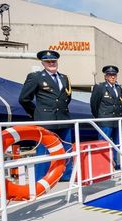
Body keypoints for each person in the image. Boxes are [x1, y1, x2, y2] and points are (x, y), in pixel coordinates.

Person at [19, 50, 73, 181]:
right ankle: (41, 179)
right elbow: (24, 99)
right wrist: (37, 114)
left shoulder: (64, 78)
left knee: (67, 148)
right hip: (46, 120)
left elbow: (67, 97)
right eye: (48, 61)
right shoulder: (36, 77)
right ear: (43, 63)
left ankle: (65, 175)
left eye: (53, 61)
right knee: (44, 150)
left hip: (63, 118)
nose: (51, 63)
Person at [90, 65, 122, 166]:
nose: (112, 77)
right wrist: (99, 117)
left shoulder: (119, 88)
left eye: (114, 75)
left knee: (117, 143)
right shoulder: (100, 87)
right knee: (103, 143)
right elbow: (94, 104)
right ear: (105, 76)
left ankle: (115, 163)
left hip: (117, 121)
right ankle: (104, 164)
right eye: (110, 75)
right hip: (105, 121)